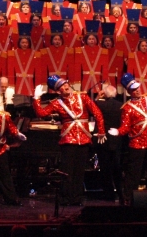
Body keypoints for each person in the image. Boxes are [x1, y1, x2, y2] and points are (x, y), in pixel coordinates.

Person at [32, 75, 106, 206]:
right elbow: (42, 114)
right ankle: (66, 197)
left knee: (79, 170)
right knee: (67, 171)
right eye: (62, 87)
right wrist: (36, 99)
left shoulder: (83, 97)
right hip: (68, 140)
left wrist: (101, 131)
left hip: (83, 139)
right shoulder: (56, 103)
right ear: (58, 91)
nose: (66, 87)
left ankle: (77, 197)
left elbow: (97, 113)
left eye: (66, 84)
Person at [108, 73, 147, 206]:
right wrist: (118, 131)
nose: (137, 90)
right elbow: (125, 127)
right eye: (133, 89)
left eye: (137, 87)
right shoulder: (127, 108)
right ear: (129, 91)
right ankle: (129, 198)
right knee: (134, 173)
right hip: (137, 143)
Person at [94, 84, 123, 202]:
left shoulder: (99, 104)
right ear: (115, 94)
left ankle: (109, 194)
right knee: (117, 167)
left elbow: (91, 107)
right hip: (117, 140)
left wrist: (97, 97)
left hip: (103, 140)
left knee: (105, 168)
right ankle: (120, 192)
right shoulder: (121, 106)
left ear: (104, 94)